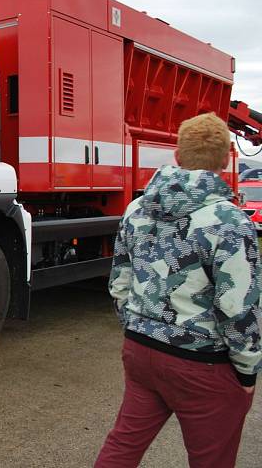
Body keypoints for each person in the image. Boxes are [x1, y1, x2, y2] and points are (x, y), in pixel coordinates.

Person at [95, 113, 262, 468]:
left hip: (141, 350)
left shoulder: (137, 209)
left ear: (178, 156)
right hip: (202, 363)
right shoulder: (231, 222)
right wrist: (247, 371)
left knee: (123, 445)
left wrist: (138, 326)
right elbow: (239, 307)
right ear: (225, 160)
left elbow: (120, 282)